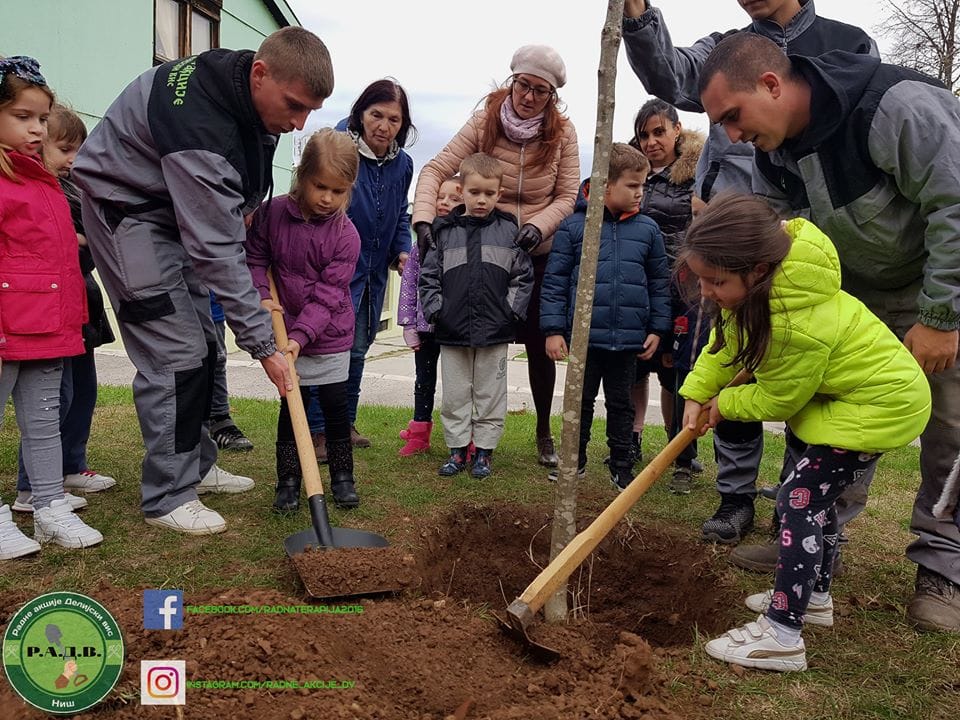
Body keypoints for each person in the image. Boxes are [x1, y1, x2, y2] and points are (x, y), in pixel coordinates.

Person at [698, 31, 960, 631]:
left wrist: (941, 318)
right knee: (821, 410)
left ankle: (944, 566)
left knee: (950, 422)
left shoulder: (895, 106)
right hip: (851, 290)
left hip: (938, 280)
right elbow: (770, 243)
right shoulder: (773, 148)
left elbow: (956, 202)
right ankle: (812, 547)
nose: (731, 136)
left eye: (733, 116)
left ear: (771, 84)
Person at [622, 0, 878, 566]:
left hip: (804, 249)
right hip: (729, 240)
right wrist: (638, 17)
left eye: (736, 117)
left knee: (799, 376)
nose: (732, 131)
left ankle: (795, 517)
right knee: (727, 353)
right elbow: (668, 75)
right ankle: (735, 497)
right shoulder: (726, 47)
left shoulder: (846, 43)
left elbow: (853, 143)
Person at [72, 27, 333, 535]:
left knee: (205, 344)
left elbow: (240, 193)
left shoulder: (238, 82)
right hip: (128, 217)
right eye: (295, 105)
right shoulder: (199, 128)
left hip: (170, 215)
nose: (298, 123)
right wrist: (264, 347)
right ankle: (168, 496)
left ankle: (197, 465)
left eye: (309, 112)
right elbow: (216, 249)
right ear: (261, 74)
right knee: (177, 354)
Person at [679, 194, 931, 670]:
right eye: (702, 280)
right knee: (815, 498)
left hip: (878, 406)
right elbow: (725, 347)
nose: (707, 292)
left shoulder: (793, 322)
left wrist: (724, 404)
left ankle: (782, 635)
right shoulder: (761, 291)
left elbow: (778, 400)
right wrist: (697, 392)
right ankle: (814, 598)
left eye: (716, 281)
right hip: (850, 399)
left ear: (756, 270)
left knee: (797, 499)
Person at [412, 44, 580, 469]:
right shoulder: (484, 122)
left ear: (552, 96)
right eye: (524, 85)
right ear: (513, 81)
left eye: (541, 91)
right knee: (473, 350)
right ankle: (461, 438)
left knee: (543, 345)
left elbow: (567, 195)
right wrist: (425, 222)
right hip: (477, 250)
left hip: (534, 251)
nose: (529, 97)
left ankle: (543, 430)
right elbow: (434, 169)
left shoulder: (564, 134)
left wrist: (536, 227)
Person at [0, 56, 103, 555]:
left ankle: (48, 507)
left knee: (44, 426)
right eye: (23, 116)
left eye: (42, 118)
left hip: (47, 327)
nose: (37, 128)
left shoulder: (43, 181)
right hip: (5, 328)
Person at [540, 143, 671, 490]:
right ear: (604, 185)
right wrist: (554, 329)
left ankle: (622, 464)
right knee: (579, 404)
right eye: (632, 185)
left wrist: (658, 328)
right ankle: (574, 462)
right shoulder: (572, 228)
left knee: (621, 404)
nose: (640, 192)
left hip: (628, 339)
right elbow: (553, 282)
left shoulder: (648, 230)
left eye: (643, 185)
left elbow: (660, 283)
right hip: (584, 340)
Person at [246, 128, 362, 512]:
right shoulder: (273, 214)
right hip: (285, 330)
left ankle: (342, 478)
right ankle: (288, 481)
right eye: (320, 186)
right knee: (289, 407)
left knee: (334, 408)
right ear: (301, 176)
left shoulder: (346, 235)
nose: (328, 198)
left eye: (338, 190)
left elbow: (329, 294)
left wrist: (300, 335)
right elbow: (256, 258)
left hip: (328, 334)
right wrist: (262, 297)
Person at [13, 103, 117, 515]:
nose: (74, 160)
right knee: (51, 398)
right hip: (45, 311)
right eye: (65, 149)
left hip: (80, 307)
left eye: (79, 150)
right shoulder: (42, 191)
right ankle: (33, 485)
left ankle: (71, 464)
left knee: (82, 392)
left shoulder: (73, 189)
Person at [306, 79, 414, 457]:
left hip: (374, 272)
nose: (384, 126)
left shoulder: (403, 164)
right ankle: (319, 430)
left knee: (358, 348)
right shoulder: (338, 149)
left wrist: (402, 250)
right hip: (337, 271)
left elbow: (401, 212)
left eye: (394, 119)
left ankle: (344, 424)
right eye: (377, 115)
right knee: (329, 349)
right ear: (361, 114)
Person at [419, 153, 533, 479]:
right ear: (462, 191)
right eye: (474, 192)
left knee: (490, 393)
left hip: (495, 329)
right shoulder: (444, 232)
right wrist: (436, 310)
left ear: (499, 194)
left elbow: (522, 277)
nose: (481, 200)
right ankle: (457, 450)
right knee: (455, 393)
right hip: (452, 328)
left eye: (489, 193)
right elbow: (429, 277)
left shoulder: (509, 232)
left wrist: (511, 312)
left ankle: (483, 451)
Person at [626, 99, 712, 499]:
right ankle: (632, 439)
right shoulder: (630, 171)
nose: (651, 141)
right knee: (635, 367)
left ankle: (680, 452)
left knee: (678, 373)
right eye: (644, 134)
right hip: (637, 284)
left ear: (678, 129)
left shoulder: (699, 173)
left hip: (684, 289)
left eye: (659, 131)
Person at [396, 175, 462, 457]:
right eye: (441, 196)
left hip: (455, 329)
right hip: (424, 328)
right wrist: (409, 324)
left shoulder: (464, 242)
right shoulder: (420, 243)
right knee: (424, 381)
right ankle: (420, 432)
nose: (445, 202)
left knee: (458, 386)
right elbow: (409, 285)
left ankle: (462, 438)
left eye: (454, 198)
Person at [208, 292, 254, 452]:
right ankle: (168, 429)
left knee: (217, 360)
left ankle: (219, 418)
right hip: (173, 307)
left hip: (211, 306)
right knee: (179, 369)